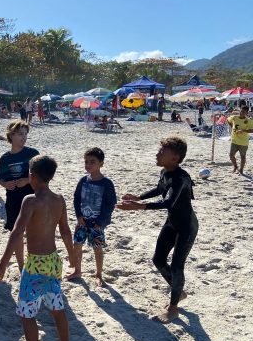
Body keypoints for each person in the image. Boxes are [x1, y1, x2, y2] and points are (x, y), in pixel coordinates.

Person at [0, 155, 74, 341]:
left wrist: (2, 265)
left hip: (36, 264)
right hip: (54, 261)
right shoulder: (60, 200)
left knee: (27, 314)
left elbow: (17, 233)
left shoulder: (31, 200)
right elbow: (65, 231)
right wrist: (73, 257)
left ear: (32, 176)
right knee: (57, 308)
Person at [117, 137, 198, 323]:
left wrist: (139, 207)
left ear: (175, 158)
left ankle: (173, 308)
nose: (157, 154)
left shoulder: (182, 179)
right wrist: (139, 197)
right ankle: (179, 292)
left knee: (177, 266)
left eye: (162, 152)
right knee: (158, 259)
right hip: (172, 223)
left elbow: (168, 202)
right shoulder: (165, 172)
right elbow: (160, 188)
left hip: (186, 228)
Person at [66, 148, 116, 287]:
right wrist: (79, 216)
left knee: (97, 249)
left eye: (92, 162)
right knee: (77, 246)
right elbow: (76, 199)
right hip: (82, 222)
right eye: (86, 162)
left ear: (101, 163)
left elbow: (110, 204)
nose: (88, 165)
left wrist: (100, 222)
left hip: (97, 224)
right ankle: (78, 271)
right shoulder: (83, 180)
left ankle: (99, 274)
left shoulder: (106, 183)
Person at [0, 120, 39, 271]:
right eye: (20, 134)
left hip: (32, 198)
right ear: (11, 136)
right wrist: (4, 184)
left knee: (33, 232)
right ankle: (22, 266)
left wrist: (27, 180)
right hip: (13, 199)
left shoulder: (33, 153)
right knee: (17, 233)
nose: (24, 137)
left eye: (25, 134)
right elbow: (0, 177)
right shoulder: (5, 158)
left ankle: (34, 263)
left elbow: (42, 176)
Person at [227, 105, 253, 174]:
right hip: (234, 140)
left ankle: (241, 170)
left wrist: (243, 131)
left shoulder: (248, 121)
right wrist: (232, 126)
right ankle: (235, 166)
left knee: (243, 156)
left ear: (247, 113)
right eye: (241, 111)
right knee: (231, 155)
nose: (241, 113)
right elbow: (228, 120)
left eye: (244, 112)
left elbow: (252, 130)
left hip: (243, 142)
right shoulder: (234, 117)